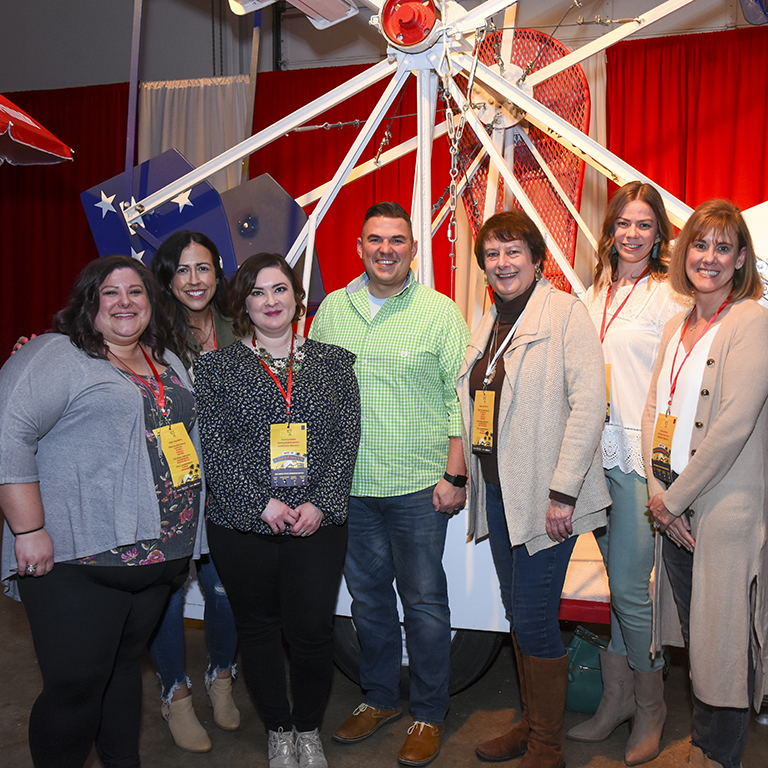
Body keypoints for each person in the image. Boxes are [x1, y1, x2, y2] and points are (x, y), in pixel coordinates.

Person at [0, 255, 203, 768]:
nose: (124, 302)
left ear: (153, 303)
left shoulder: (167, 359)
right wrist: (29, 529)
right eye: (109, 293)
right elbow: (8, 434)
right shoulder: (57, 355)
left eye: (136, 292)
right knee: (75, 689)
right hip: (79, 558)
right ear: (88, 302)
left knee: (120, 674)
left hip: (158, 560)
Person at [309, 201, 470, 768]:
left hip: (419, 488)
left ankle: (429, 711)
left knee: (424, 602)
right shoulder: (332, 310)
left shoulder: (440, 313)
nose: (386, 249)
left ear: (412, 248)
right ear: (359, 247)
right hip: (350, 487)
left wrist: (456, 472)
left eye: (397, 240)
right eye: (375, 239)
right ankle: (379, 698)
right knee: (369, 600)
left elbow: (461, 398)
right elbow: (312, 395)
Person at [456, 210, 610, 768]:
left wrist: (564, 492)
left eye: (513, 251)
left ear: (536, 257)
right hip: (498, 490)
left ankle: (548, 745)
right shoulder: (491, 319)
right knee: (516, 611)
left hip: (545, 498)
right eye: (492, 255)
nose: (502, 263)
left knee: (536, 614)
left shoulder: (565, 313)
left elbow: (590, 403)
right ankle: (530, 723)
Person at [194, 253, 360, 768]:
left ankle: (308, 729)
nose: (271, 301)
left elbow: (346, 440)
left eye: (280, 290)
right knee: (259, 629)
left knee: (311, 631)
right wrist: (258, 503)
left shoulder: (334, 361)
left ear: (296, 297)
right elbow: (215, 449)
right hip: (243, 525)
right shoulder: (216, 367)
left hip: (317, 522)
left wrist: (320, 503)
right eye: (259, 292)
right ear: (243, 303)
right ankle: (278, 729)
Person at [642, 199, 768, 768]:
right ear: (683, 252)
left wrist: (673, 500)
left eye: (723, 247)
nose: (709, 257)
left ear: (741, 259)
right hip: (674, 507)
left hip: (723, 510)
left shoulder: (753, 322)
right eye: (700, 244)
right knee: (696, 634)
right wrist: (657, 494)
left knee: (723, 641)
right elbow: (652, 414)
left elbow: (735, 423)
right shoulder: (675, 324)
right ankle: (703, 742)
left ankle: (720, 754)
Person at [567, 182, 688, 764]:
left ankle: (651, 706)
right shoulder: (591, 294)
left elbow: (677, 383)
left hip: (639, 460)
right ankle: (614, 701)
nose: (633, 234)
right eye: (624, 223)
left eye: (644, 224)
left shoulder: (670, 296)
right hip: (592, 455)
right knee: (615, 586)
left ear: (658, 233)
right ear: (610, 229)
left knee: (632, 589)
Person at [148, 231, 240, 752]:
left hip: (232, 478)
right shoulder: (150, 330)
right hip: (170, 478)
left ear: (217, 272)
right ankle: (175, 693)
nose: (194, 280)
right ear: (167, 277)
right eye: (182, 270)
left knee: (224, 587)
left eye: (202, 268)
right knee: (167, 589)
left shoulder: (238, 322)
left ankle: (221, 677)